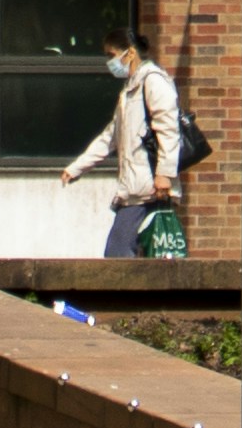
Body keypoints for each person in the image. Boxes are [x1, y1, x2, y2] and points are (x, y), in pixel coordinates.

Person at [58, 28, 186, 258]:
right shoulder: (130, 91)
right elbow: (110, 137)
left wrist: (164, 174)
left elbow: (169, 128)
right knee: (141, 254)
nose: (110, 62)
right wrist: (76, 168)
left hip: (149, 189)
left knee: (117, 252)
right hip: (137, 188)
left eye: (112, 55)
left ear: (130, 53)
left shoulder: (153, 82)